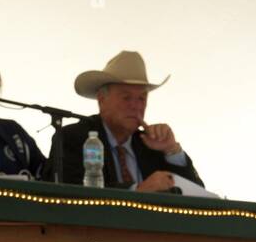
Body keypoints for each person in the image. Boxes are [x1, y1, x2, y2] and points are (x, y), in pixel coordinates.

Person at [43, 50, 202, 190]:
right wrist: (137, 191)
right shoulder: (75, 138)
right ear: (102, 100)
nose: (135, 106)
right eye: (126, 98)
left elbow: (199, 199)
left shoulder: (150, 145)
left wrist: (171, 150)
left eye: (141, 98)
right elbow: (72, 191)